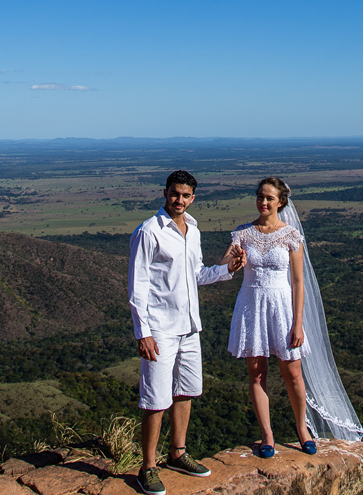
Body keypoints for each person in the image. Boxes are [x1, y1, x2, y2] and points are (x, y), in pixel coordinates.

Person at [227, 177, 363, 458]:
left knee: (293, 374)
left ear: (281, 202)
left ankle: (302, 428)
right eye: (259, 197)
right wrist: (232, 261)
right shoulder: (241, 234)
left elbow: (299, 282)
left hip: (283, 308)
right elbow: (223, 266)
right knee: (256, 374)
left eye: (269, 198)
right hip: (252, 306)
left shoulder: (290, 235)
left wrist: (298, 322)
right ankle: (267, 435)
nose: (263, 202)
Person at [128, 170, 246, 495]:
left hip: (190, 327)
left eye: (186, 195)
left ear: (193, 198)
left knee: (186, 391)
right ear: (165, 193)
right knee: (154, 399)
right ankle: (147, 467)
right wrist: (143, 332)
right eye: (175, 194)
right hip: (160, 329)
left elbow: (195, 274)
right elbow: (137, 287)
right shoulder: (149, 232)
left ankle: (177, 454)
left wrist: (227, 270)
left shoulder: (192, 230)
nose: (179, 200)